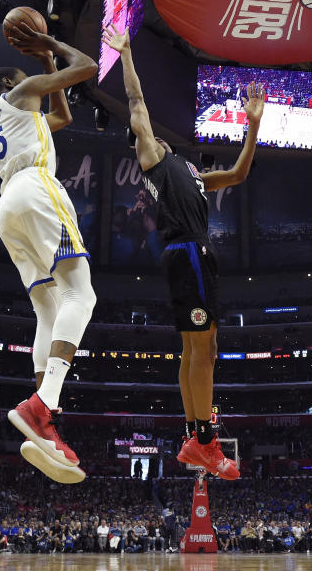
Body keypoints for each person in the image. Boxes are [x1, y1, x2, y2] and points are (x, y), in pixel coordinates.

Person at [103, 24, 264, 479]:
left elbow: (236, 174)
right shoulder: (155, 159)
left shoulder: (191, 173)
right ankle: (205, 441)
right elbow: (137, 106)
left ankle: (196, 436)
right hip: (188, 252)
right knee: (202, 349)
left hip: (192, 256)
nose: (147, 138)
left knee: (198, 349)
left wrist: (253, 127)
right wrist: (128, 54)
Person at [0, 22, 97, 483]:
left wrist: (47, 63)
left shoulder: (3, 119)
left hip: (7, 206)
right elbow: (87, 67)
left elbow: (64, 118)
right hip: (35, 189)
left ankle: (42, 428)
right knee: (80, 295)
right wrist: (49, 45)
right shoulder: (21, 92)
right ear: (13, 84)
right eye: (27, 74)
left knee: (46, 309)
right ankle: (41, 405)